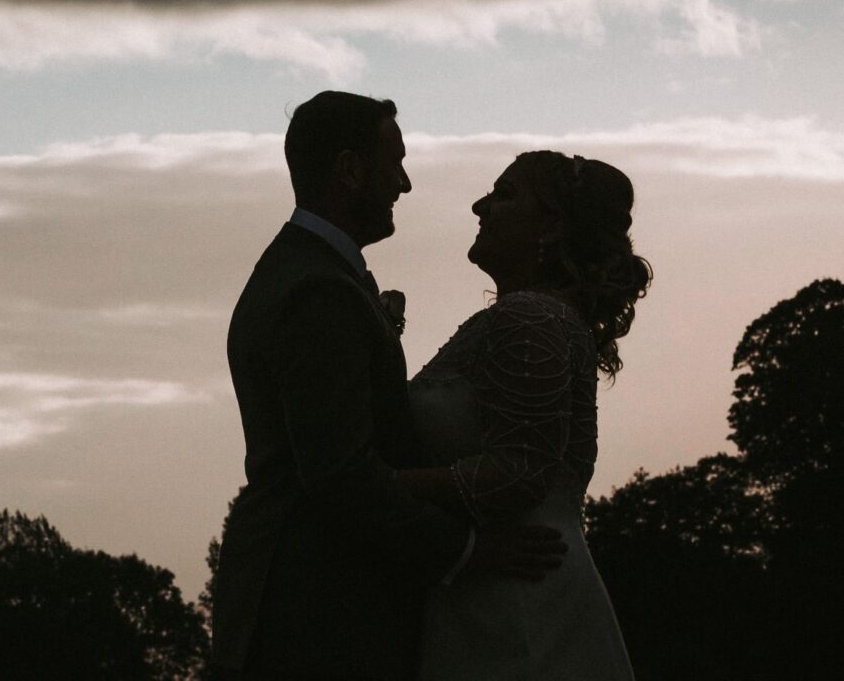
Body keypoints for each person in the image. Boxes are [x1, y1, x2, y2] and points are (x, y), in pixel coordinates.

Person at [210, 93, 567, 680]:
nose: (404, 184)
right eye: (394, 162)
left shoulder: (303, 272)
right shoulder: (318, 292)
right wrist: (468, 550)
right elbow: (340, 477)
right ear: (350, 170)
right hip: (319, 612)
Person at [392, 150, 651, 680]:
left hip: (520, 600)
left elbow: (521, 470)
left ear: (552, 225)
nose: (479, 205)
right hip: (492, 587)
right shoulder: (520, 316)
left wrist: (379, 485)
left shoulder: (530, 317)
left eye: (504, 194)